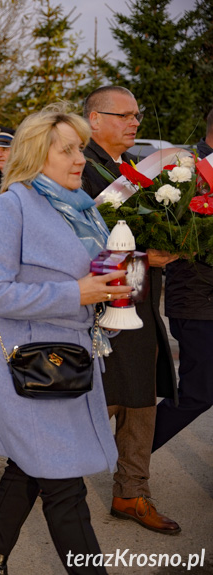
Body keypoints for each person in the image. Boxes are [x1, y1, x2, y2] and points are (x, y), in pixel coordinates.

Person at [0, 106, 128, 575]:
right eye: (68, 150)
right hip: (24, 363)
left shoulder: (82, 212)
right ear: (38, 155)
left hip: (70, 360)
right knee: (63, 483)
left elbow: (97, 281)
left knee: (31, 465)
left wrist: (112, 301)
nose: (80, 158)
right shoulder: (9, 206)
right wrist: (74, 293)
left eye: (80, 148)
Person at [80, 85, 180, 535]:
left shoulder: (133, 170)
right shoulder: (80, 171)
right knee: (99, 402)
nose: (134, 122)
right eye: (124, 115)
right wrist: (143, 257)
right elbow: (77, 249)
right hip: (100, 310)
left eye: (137, 115)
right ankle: (43, 485)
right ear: (94, 119)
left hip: (139, 302)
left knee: (142, 400)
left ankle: (131, 492)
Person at [151, 107, 213, 452]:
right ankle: (127, 459)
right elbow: (168, 233)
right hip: (197, 300)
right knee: (197, 394)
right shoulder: (183, 169)